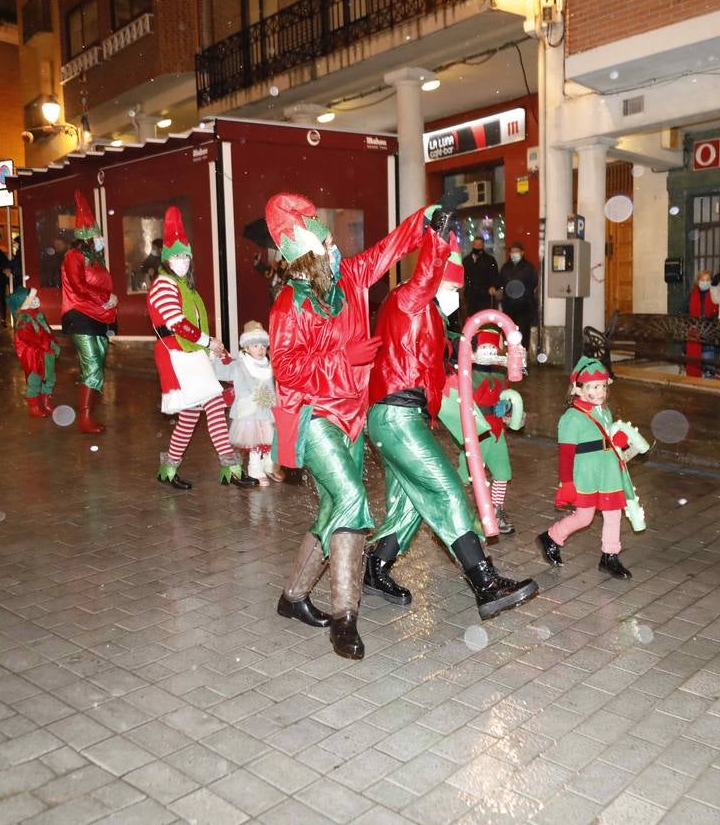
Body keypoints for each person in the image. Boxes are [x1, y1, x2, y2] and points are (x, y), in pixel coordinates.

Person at [268, 191, 429, 661]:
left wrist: (426, 219)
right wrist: (343, 358)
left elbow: (386, 251)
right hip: (315, 415)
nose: (334, 247)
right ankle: (345, 618)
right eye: (326, 243)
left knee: (334, 507)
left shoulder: (350, 279)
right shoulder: (289, 304)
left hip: (352, 417)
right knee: (353, 500)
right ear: (307, 255)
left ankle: (292, 597)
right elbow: (286, 370)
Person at [364, 230, 539, 619]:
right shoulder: (408, 300)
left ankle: (376, 568)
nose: (455, 296)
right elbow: (427, 277)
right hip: (397, 414)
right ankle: (485, 583)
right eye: (450, 288)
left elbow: (457, 346)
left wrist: (492, 350)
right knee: (445, 490)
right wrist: (439, 237)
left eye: (457, 290)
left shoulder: (431, 320)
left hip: (398, 417)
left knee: (409, 502)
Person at [148, 207, 257, 490]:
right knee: (212, 405)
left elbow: (192, 325)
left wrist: (211, 348)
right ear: (166, 258)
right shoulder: (163, 285)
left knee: (190, 415)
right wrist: (208, 342)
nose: (183, 261)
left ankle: (169, 469)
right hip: (177, 356)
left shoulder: (184, 286)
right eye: (177, 256)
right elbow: (177, 323)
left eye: (186, 256)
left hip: (189, 355)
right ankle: (231, 468)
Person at [537, 357, 648, 579]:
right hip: (586, 475)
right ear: (578, 389)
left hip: (608, 472)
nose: (600, 392)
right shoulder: (571, 418)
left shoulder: (604, 412)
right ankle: (551, 537)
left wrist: (617, 441)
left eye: (603, 387)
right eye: (594, 387)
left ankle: (610, 556)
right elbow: (566, 454)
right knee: (584, 518)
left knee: (613, 514)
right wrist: (567, 483)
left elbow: (606, 439)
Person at [436, 326, 522, 535]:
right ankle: (449, 508)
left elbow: (505, 394)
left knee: (502, 473)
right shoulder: (467, 373)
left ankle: (495, 511)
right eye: (486, 348)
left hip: (497, 430)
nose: (490, 353)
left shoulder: (499, 373)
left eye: (493, 349)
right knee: (466, 474)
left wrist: (507, 406)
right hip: (476, 429)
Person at [60, 191, 118, 434]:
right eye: (97, 235)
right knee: (92, 364)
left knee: (98, 364)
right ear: (87, 237)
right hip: (80, 316)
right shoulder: (73, 256)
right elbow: (78, 285)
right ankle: (84, 418)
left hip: (98, 317)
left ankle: (88, 414)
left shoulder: (95, 258)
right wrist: (106, 297)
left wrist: (110, 302)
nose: (101, 238)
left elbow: (100, 285)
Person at [213, 321, 280, 486]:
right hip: (250, 413)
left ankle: (268, 465)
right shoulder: (240, 365)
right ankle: (254, 468)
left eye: (263, 345)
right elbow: (220, 372)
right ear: (246, 347)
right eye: (255, 346)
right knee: (255, 443)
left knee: (270, 440)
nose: (260, 349)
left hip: (268, 412)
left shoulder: (270, 364)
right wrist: (215, 357)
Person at [8, 284, 61, 417]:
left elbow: (46, 331)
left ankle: (45, 403)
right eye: (32, 298)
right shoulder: (24, 319)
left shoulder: (36, 315)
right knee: (34, 380)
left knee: (49, 378)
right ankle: (34, 407)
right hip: (34, 355)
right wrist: (44, 346)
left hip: (46, 352)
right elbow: (26, 338)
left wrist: (53, 343)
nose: (36, 299)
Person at [498, 242, 537, 350]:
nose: (514, 254)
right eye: (512, 251)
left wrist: (524, 295)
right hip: (509, 305)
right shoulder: (506, 267)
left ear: (522, 252)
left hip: (524, 306)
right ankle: (511, 353)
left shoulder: (528, 267)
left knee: (523, 332)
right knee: (509, 331)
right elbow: (500, 282)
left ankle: (523, 354)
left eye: (516, 251)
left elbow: (533, 284)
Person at [683, 270, 719, 378]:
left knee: (708, 369)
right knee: (694, 365)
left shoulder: (715, 295)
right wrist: (690, 324)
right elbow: (683, 313)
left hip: (708, 336)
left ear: (711, 281)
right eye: (702, 280)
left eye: (707, 280)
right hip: (694, 336)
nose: (705, 282)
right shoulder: (691, 295)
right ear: (698, 281)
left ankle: (708, 381)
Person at [462, 235, 501, 317]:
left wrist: (494, 286)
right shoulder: (466, 260)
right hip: (471, 295)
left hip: (485, 295)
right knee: (472, 318)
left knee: (485, 317)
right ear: (472, 245)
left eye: (479, 245)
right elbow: (463, 276)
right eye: (475, 244)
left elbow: (495, 275)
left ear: (483, 246)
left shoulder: (490, 260)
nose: (477, 247)